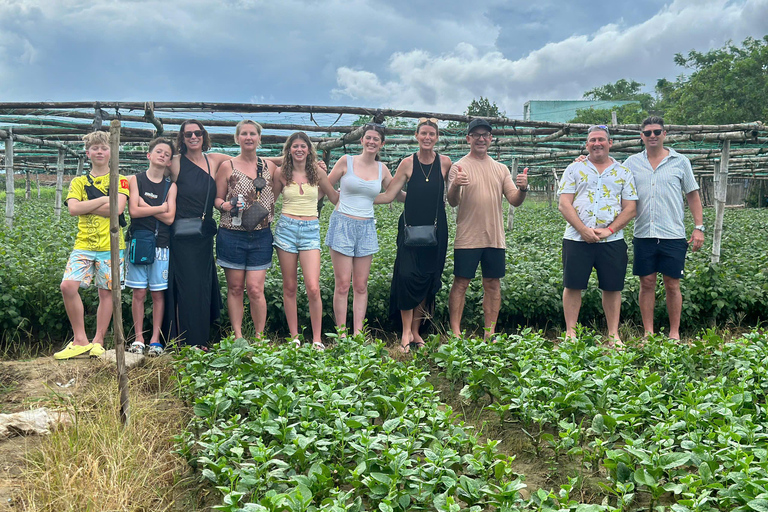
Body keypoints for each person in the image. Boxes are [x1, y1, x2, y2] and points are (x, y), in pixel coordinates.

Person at [446, 119, 528, 339]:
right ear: (468, 139)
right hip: (468, 237)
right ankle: (455, 331)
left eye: (485, 135)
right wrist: (455, 184)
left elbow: (514, 199)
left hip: (494, 237)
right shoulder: (458, 167)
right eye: (476, 135)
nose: (481, 138)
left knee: (492, 284)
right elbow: (453, 201)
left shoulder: (500, 169)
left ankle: (489, 332)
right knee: (461, 282)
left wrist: (523, 189)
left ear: (491, 139)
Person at [624, 116, 704, 340]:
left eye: (657, 132)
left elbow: (692, 195)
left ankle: (674, 333)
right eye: (648, 132)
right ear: (641, 136)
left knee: (672, 284)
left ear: (664, 134)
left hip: (673, 233)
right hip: (643, 233)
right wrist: (584, 159)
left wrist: (699, 227)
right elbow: (611, 175)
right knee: (646, 283)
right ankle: (648, 333)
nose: (652, 136)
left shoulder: (680, 162)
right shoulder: (631, 163)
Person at [375, 118, 451, 352]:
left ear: (437, 138)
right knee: (407, 277)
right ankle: (406, 331)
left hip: (437, 231)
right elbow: (390, 195)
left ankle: (417, 331)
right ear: (416, 136)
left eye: (432, 134)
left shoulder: (445, 163)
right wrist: (354, 198)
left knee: (428, 280)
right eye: (423, 134)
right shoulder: (408, 164)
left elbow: (454, 194)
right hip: (410, 230)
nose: (427, 137)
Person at [558, 125, 637, 345]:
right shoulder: (574, 169)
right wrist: (583, 230)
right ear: (587, 145)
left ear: (610, 143)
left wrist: (609, 230)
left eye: (601, 139)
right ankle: (571, 333)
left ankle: (613, 335)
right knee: (573, 285)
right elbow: (564, 204)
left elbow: (630, 208)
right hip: (576, 238)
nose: (597, 143)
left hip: (611, 240)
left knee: (612, 287)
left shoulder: (623, 172)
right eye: (592, 140)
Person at [54, 131, 129, 360]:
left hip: (112, 245)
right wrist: (104, 200)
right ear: (87, 154)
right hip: (83, 244)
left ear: (111, 152)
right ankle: (80, 340)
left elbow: (117, 210)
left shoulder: (120, 179)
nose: (99, 151)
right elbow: (73, 209)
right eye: (95, 148)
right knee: (68, 286)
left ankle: (98, 340)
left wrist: (87, 204)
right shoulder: (78, 181)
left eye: (104, 148)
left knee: (106, 293)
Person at [325, 122, 402, 336]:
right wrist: (338, 198)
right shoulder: (346, 161)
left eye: (376, 139)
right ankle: (341, 334)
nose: (371, 141)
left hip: (367, 226)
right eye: (368, 137)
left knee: (361, 285)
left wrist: (421, 198)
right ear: (361, 140)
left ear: (381, 144)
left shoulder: (382, 169)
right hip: (342, 224)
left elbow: (390, 194)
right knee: (342, 285)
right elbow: (326, 184)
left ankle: (358, 334)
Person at [164, 120, 231, 350]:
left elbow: (246, 161)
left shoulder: (213, 160)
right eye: (188, 134)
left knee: (202, 285)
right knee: (185, 284)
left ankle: (200, 338)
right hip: (181, 236)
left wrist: (287, 161)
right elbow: (150, 174)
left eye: (198, 133)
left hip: (203, 235)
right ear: (182, 138)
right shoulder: (174, 162)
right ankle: (184, 339)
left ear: (204, 135)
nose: (194, 137)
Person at [272, 132, 339, 349]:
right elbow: (271, 201)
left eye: (303, 146)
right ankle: (294, 338)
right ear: (289, 150)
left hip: (310, 230)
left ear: (309, 149)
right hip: (286, 230)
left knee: (313, 287)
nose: (299, 150)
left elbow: (332, 196)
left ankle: (317, 339)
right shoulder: (281, 172)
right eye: (295, 146)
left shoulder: (317, 172)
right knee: (289, 286)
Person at [213, 120, 277, 341]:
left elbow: (293, 170)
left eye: (253, 134)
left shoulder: (270, 166)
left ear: (260, 138)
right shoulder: (227, 166)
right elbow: (217, 198)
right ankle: (238, 336)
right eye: (244, 134)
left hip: (261, 234)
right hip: (232, 233)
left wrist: (317, 166)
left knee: (255, 289)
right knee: (236, 287)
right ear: (237, 138)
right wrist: (225, 206)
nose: (248, 137)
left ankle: (260, 337)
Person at [125, 138, 177, 357]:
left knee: (157, 294)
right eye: (158, 151)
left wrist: (146, 206)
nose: (162, 155)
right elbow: (133, 212)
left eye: (167, 154)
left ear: (169, 162)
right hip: (138, 243)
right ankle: (138, 338)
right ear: (149, 155)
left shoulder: (170, 186)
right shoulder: (134, 180)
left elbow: (170, 218)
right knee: (138, 292)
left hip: (161, 246)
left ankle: (155, 340)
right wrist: (159, 207)